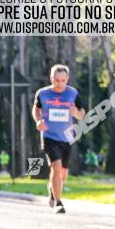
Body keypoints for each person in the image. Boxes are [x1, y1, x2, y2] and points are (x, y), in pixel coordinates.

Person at [32, 64, 85, 214]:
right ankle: (58, 202)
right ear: (51, 79)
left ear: (67, 79)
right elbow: (36, 109)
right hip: (49, 136)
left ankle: (52, 188)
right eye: (56, 80)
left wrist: (76, 113)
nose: (60, 84)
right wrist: (38, 121)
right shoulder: (42, 93)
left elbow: (82, 113)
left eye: (63, 80)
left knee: (63, 173)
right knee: (56, 166)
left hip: (67, 137)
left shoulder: (73, 93)